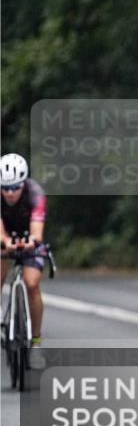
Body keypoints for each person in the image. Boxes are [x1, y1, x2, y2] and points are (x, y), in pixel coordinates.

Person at [0, 153, 48, 369]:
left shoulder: (35, 193)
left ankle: (36, 343)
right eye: (5, 188)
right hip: (6, 238)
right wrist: (5, 242)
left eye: (15, 187)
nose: (10, 193)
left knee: (31, 283)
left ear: (24, 183)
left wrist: (32, 241)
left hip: (30, 238)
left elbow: (37, 232)